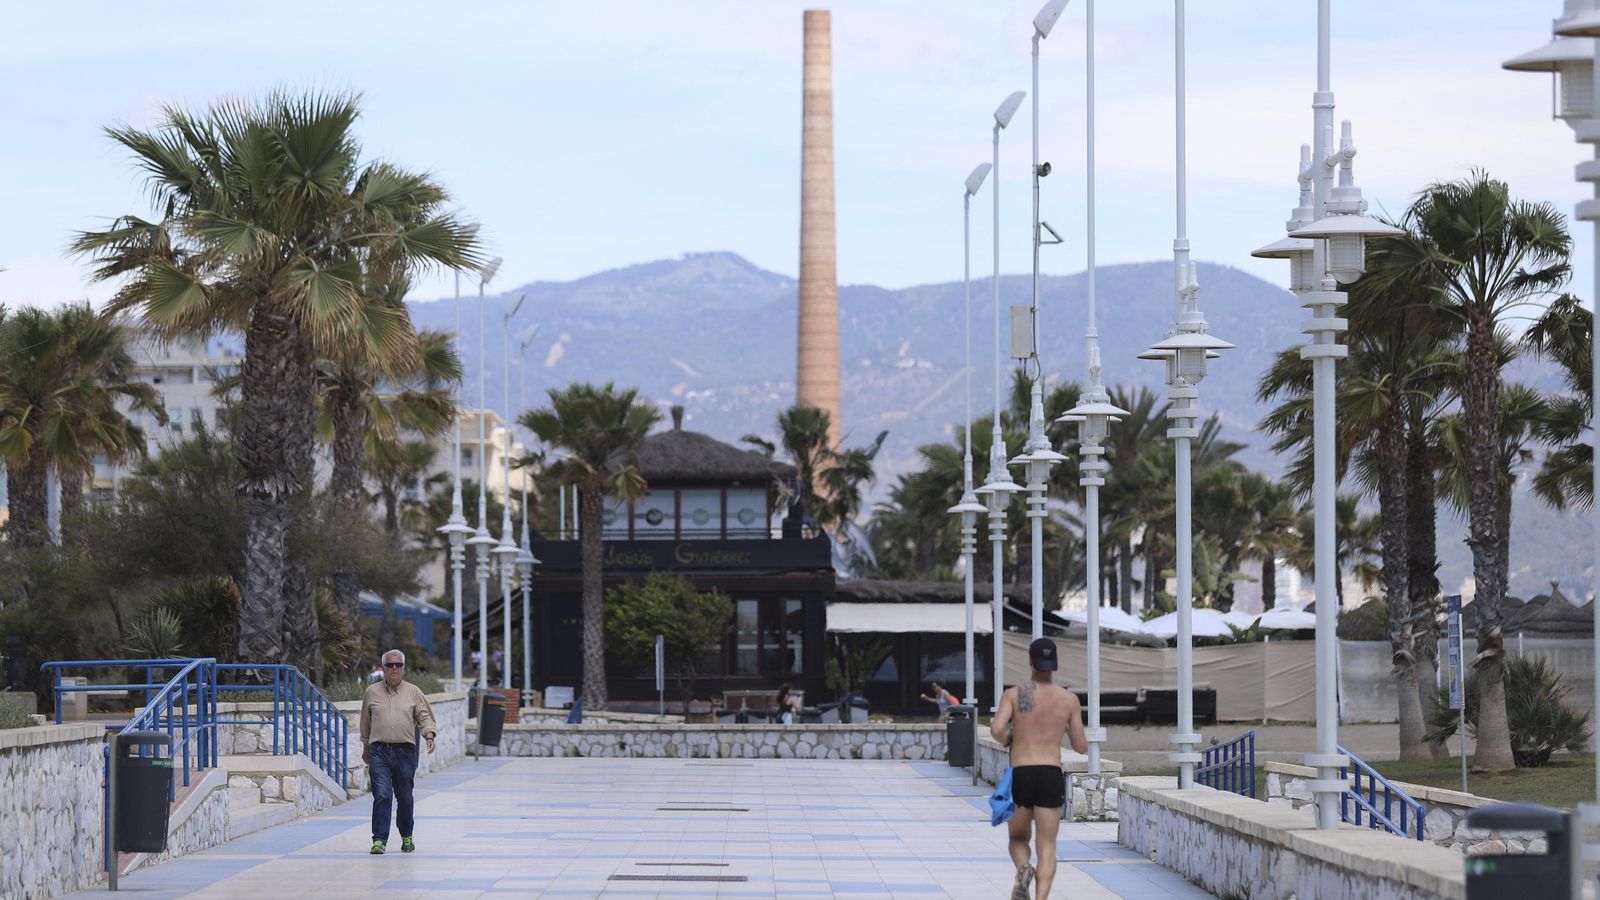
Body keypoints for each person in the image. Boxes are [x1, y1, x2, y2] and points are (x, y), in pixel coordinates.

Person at [990, 637, 1087, 900]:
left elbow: (997, 729)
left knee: (1018, 838)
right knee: (1047, 847)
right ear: (1054, 665)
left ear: (1030, 661)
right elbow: (1080, 746)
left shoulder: (1013, 694)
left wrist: (1010, 740)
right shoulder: (1068, 699)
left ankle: (1023, 869)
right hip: (1050, 774)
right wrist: (1063, 726)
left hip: (1021, 773)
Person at [360, 649, 438, 855]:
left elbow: (424, 716)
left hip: (405, 752)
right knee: (382, 795)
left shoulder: (414, 692)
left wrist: (429, 735)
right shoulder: (371, 692)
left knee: (405, 797)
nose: (394, 669)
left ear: (404, 669)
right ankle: (379, 840)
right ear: (383, 668)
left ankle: (406, 836)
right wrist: (365, 746)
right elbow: (365, 723)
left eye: (398, 665)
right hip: (379, 752)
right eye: (390, 665)